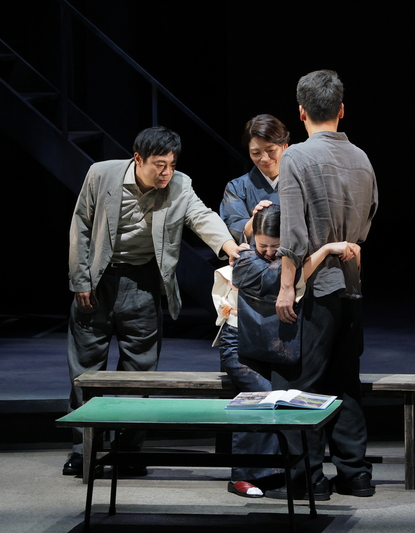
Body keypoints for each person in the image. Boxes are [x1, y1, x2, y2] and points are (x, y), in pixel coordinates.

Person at [64, 126, 239, 476]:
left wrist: (230, 246)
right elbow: (81, 225)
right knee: (86, 370)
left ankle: (128, 451)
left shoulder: (180, 185)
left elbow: (202, 216)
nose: (166, 172)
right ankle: (85, 451)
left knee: (140, 371)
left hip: (143, 283)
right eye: (159, 165)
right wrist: (81, 279)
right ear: (138, 159)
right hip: (99, 281)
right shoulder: (102, 174)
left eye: (172, 165)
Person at [270, 70, 378, 501]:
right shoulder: (362, 158)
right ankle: (355, 474)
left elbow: (293, 235)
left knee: (302, 383)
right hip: (351, 285)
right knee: (346, 380)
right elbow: (368, 219)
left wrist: (286, 287)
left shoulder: (296, 157)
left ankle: (307, 478)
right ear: (341, 110)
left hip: (315, 287)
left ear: (301, 112)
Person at [213, 204, 360, 498]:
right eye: (263, 246)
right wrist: (326, 249)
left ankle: (277, 472)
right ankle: (244, 475)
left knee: (284, 396)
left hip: (266, 347)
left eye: (276, 246)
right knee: (267, 397)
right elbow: (279, 280)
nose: (269, 252)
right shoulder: (244, 259)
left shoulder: (289, 257)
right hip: (239, 348)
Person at [220, 114, 290, 244]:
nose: (265, 158)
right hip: (254, 255)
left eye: (271, 150)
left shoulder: (300, 181)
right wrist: (255, 220)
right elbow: (234, 230)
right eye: (256, 153)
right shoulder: (237, 187)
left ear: (285, 147)